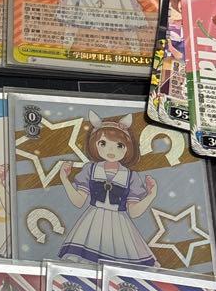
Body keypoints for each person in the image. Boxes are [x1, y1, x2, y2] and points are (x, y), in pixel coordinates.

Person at [57, 112, 158, 266]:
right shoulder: (90, 169)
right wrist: (64, 179)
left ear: (128, 148)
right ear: (95, 144)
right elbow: (79, 201)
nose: (111, 150)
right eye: (103, 143)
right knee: (84, 265)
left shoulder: (131, 177)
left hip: (120, 227)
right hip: (91, 224)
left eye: (119, 145)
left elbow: (134, 212)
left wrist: (151, 195)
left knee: (121, 268)